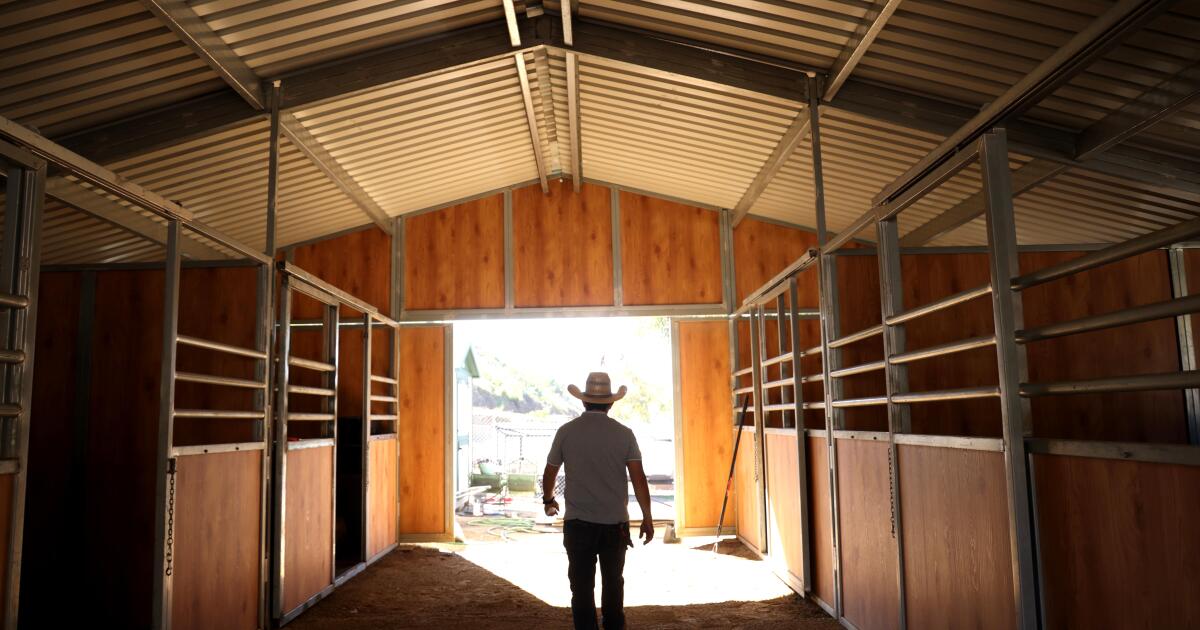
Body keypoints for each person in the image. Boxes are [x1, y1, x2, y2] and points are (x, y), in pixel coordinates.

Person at [543, 372, 654, 630]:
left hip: (578, 524)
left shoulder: (566, 432)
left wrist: (548, 499)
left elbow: (550, 472)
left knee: (581, 590)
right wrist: (647, 519)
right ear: (611, 403)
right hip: (614, 526)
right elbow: (639, 479)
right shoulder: (625, 434)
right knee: (613, 585)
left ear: (583, 401)